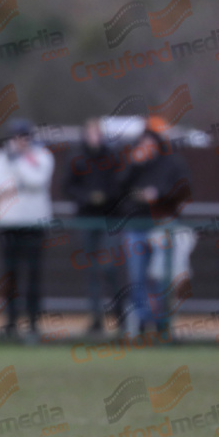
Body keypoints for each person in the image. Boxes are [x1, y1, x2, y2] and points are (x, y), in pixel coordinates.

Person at [114, 117, 192, 335]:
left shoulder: (173, 163)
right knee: (137, 278)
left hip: (162, 227)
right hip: (135, 225)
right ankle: (140, 322)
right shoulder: (133, 161)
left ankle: (161, 323)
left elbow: (184, 192)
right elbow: (118, 189)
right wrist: (133, 165)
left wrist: (158, 196)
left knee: (161, 277)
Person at [0, 118, 55, 339]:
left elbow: (37, 180)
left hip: (35, 223)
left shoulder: (42, 155)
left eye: (24, 136)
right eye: (16, 136)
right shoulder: (0, 156)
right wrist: (18, 183)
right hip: (8, 223)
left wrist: (17, 167)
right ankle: (11, 322)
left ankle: (33, 322)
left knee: (34, 275)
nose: (20, 141)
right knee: (10, 275)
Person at [63, 118, 122, 334]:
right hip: (87, 219)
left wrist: (105, 198)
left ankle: (120, 315)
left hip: (109, 219)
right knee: (91, 272)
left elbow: (120, 184)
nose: (94, 137)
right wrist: (87, 198)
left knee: (110, 268)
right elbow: (68, 186)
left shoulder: (112, 157)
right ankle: (96, 318)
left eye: (97, 133)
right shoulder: (77, 158)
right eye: (90, 133)